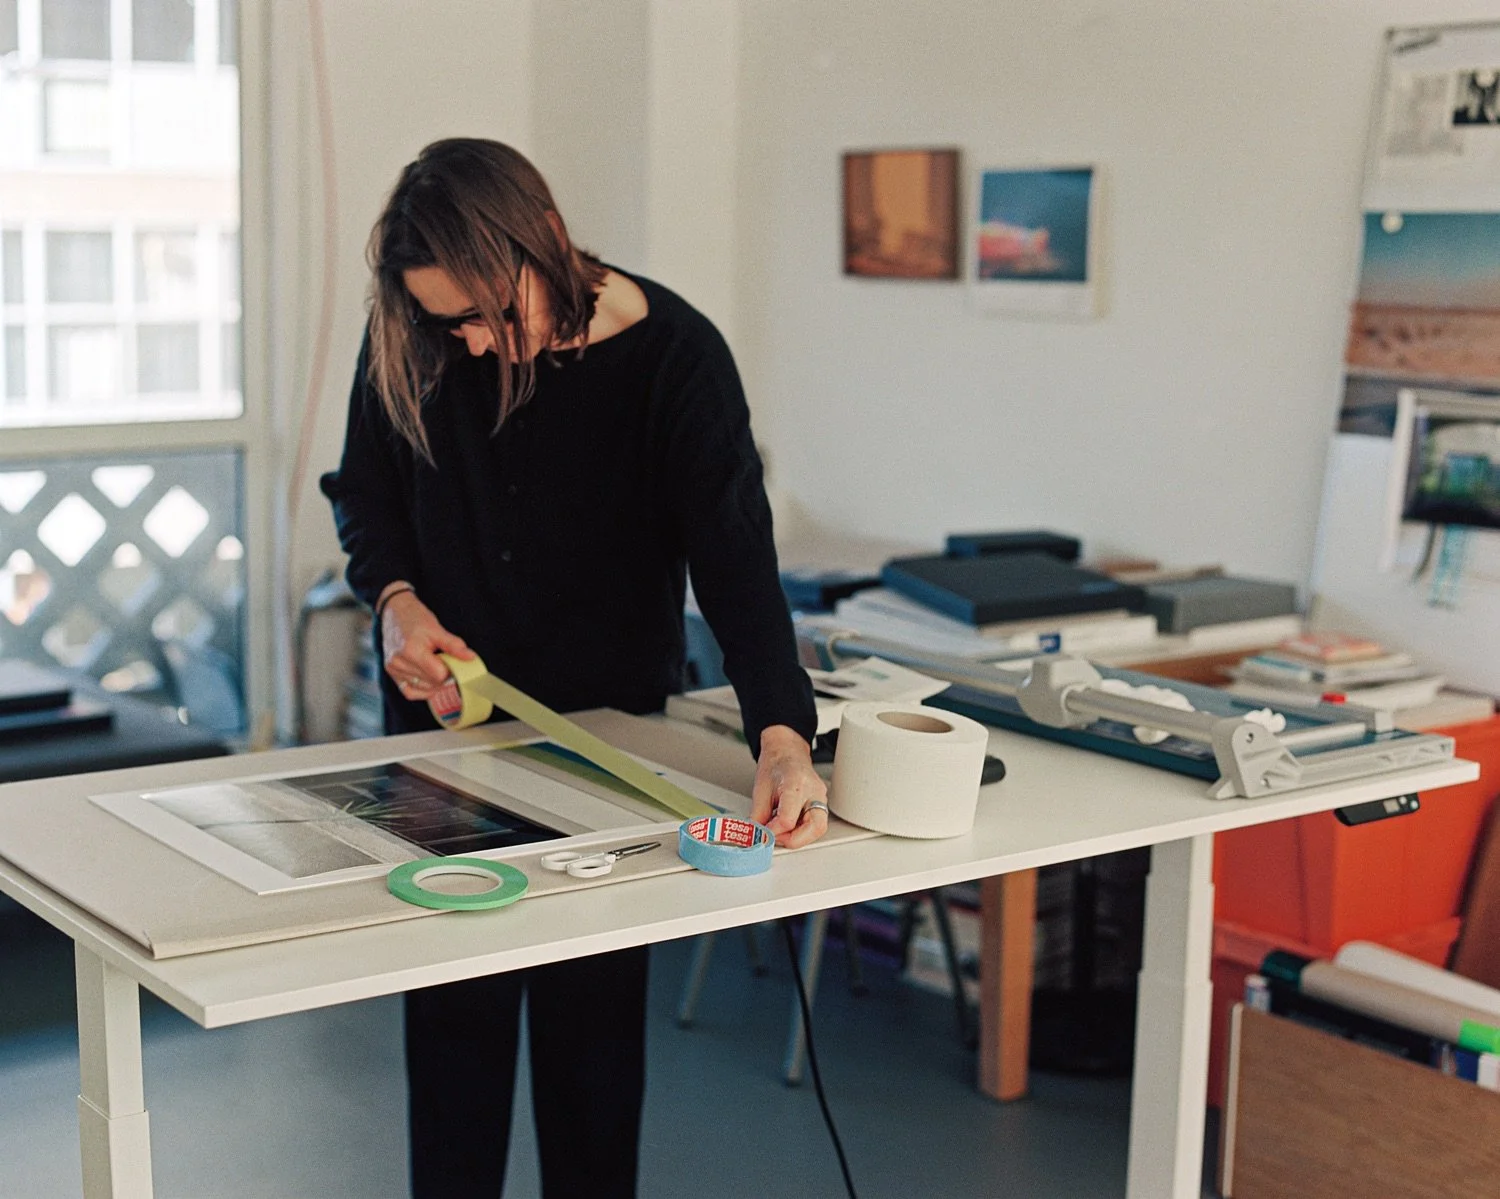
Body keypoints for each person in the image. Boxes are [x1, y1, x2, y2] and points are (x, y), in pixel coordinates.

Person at [319, 137, 829, 1198]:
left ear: (544, 241)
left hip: (608, 742)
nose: (467, 343)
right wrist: (397, 604)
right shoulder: (419, 334)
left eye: (483, 314)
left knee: (590, 1049)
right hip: (449, 735)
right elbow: (365, 493)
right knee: (454, 1044)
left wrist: (783, 733)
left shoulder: (677, 359)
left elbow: (736, 562)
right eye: (445, 322)